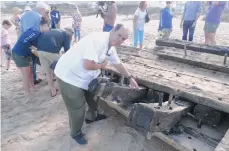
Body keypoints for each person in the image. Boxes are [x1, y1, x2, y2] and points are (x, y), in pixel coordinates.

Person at [54, 24, 139, 145]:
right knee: (77, 108)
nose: (120, 39)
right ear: (113, 30)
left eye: (123, 39)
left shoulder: (110, 46)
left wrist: (130, 78)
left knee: (93, 97)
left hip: (85, 76)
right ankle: (76, 133)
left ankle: (91, 117)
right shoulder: (98, 40)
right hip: (69, 75)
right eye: (119, 35)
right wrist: (102, 65)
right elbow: (88, 65)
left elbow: (118, 64)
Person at [12, 2, 50, 96]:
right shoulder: (35, 31)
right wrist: (34, 48)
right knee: (25, 75)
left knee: (30, 72)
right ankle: (27, 93)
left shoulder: (38, 31)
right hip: (19, 54)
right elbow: (24, 41)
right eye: (47, 27)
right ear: (43, 26)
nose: (48, 29)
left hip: (27, 53)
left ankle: (32, 87)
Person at [20, 1, 50, 85]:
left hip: (25, 41)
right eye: (44, 11)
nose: (45, 13)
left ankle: (32, 79)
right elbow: (42, 31)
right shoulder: (39, 16)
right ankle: (47, 76)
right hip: (36, 41)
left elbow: (21, 29)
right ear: (41, 9)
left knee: (30, 61)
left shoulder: (23, 15)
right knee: (41, 58)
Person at [37, 28, 73, 97]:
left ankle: (53, 91)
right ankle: (58, 88)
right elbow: (67, 52)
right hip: (51, 51)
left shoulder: (54, 30)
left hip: (40, 50)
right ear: (70, 34)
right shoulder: (66, 35)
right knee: (60, 70)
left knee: (48, 72)